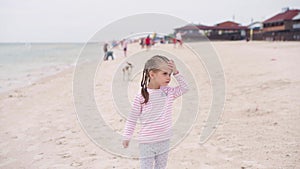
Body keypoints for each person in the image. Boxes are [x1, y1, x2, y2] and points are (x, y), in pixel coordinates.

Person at [122, 55, 189, 169]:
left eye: (170, 74)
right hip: (147, 143)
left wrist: (176, 72)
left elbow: (185, 87)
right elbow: (132, 118)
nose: (169, 77)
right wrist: (127, 136)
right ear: (152, 74)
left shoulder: (169, 92)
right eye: (164, 74)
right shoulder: (141, 96)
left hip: (164, 141)